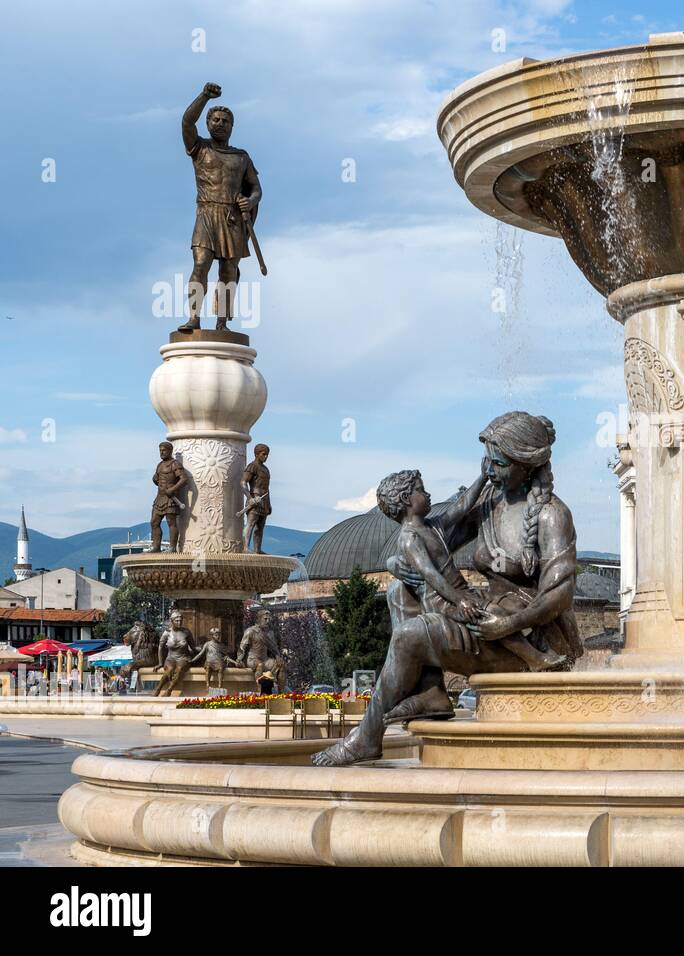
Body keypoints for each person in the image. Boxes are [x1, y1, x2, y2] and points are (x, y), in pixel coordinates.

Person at [313, 411, 582, 767]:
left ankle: (367, 737)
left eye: (499, 464)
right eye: (487, 461)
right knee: (397, 591)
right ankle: (432, 692)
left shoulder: (551, 516)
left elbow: (559, 595)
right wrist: (398, 566)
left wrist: (507, 625)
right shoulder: (488, 507)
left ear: (526, 465)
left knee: (411, 637)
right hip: (487, 620)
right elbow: (430, 540)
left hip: (528, 635)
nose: (490, 471)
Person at [379, 467, 565, 674]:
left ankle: (533, 655)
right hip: (442, 600)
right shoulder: (409, 538)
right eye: (422, 490)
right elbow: (430, 574)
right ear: (406, 498)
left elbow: (461, 506)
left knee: (498, 610)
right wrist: (459, 600)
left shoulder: (432, 527)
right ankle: (535, 659)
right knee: (492, 613)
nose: (428, 494)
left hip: (462, 591)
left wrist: (482, 477)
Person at [180, 82, 262, 333]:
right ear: (207, 124)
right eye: (214, 119)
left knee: (228, 271)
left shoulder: (242, 157)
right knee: (201, 263)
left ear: (232, 126)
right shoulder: (199, 148)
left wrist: (251, 200)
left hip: (232, 218)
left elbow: (256, 188)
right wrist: (204, 96)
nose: (219, 123)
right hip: (206, 213)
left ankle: (222, 323)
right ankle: (194, 318)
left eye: (225, 120)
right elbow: (186, 122)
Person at [151, 442, 187, 552]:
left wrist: (172, 489)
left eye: (164, 450)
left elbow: (184, 479)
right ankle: (156, 547)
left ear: (170, 451)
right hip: (160, 497)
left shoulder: (174, 464)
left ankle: (172, 547)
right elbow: (157, 478)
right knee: (154, 522)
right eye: (160, 450)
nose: (161, 452)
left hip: (171, 498)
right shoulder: (159, 465)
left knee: (171, 522)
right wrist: (156, 480)